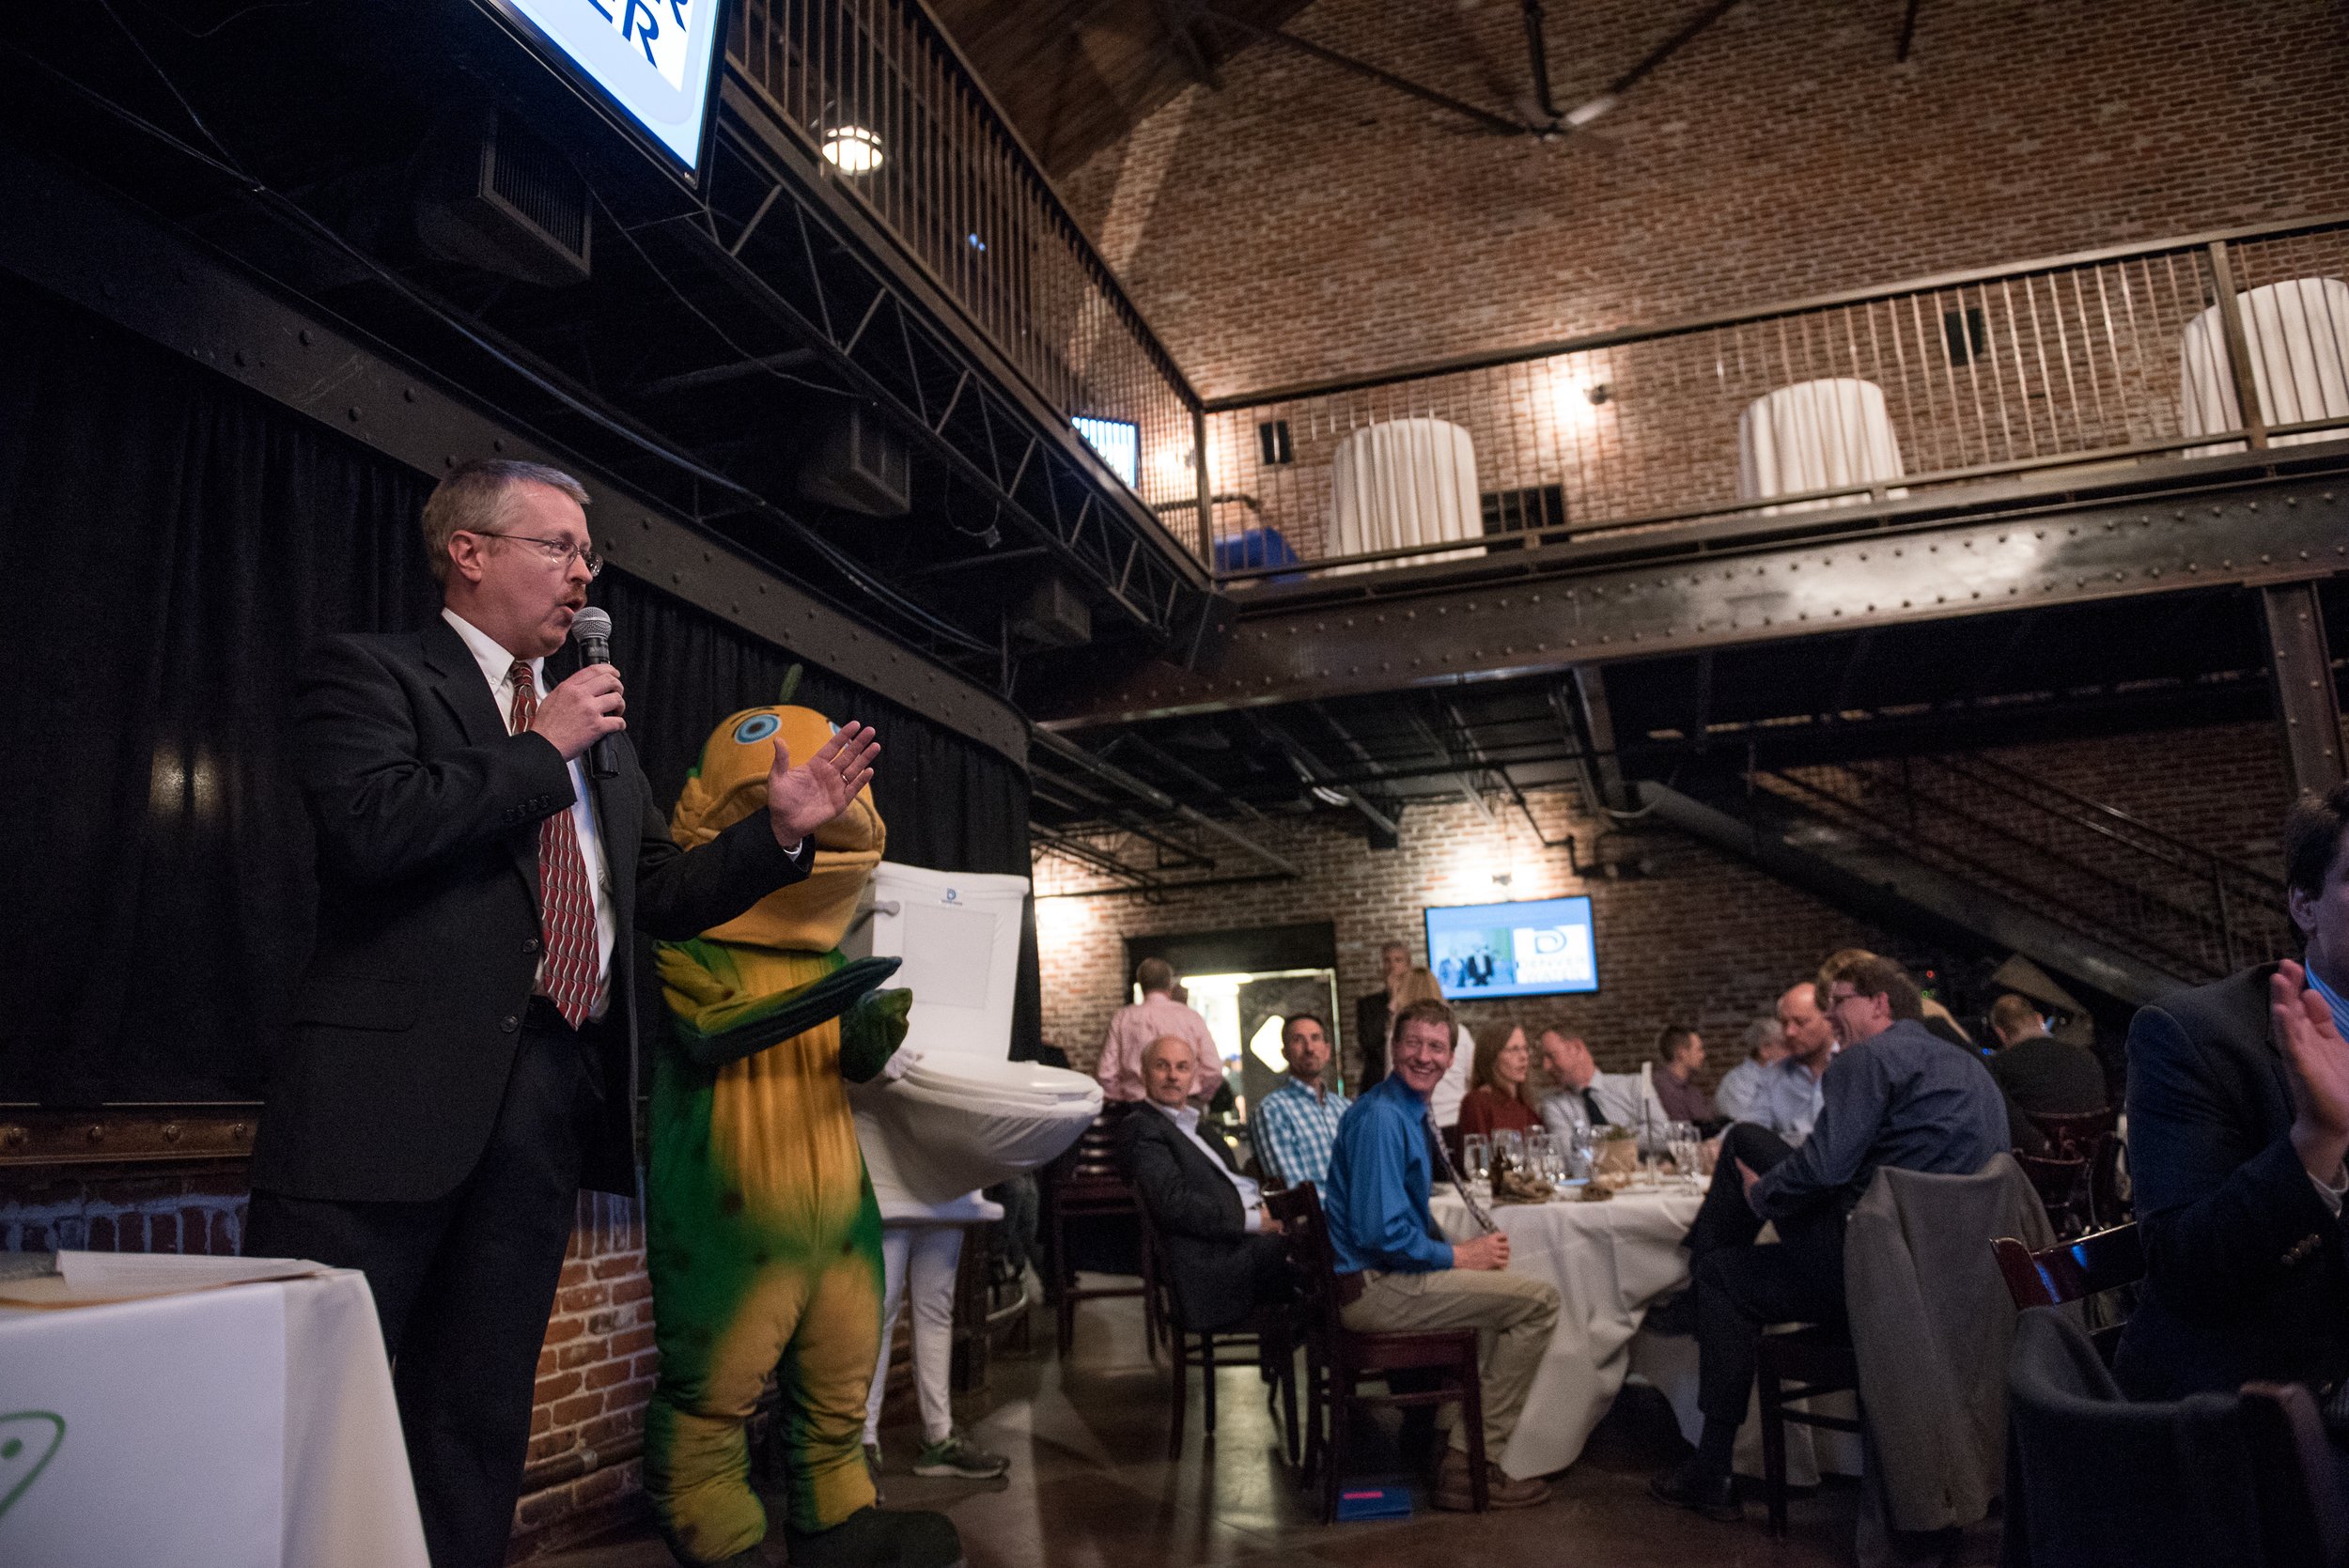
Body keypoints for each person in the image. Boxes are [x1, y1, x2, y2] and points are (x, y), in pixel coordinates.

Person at [242, 460, 890, 1568]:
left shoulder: (600, 728)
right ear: (470, 551)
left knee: (478, 1413)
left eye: (590, 555)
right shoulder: (374, 674)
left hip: (540, 1102)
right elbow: (372, 828)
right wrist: (541, 746)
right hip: (375, 1116)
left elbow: (658, 897)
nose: (584, 575)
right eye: (560, 547)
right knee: (303, 1411)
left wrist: (778, 833)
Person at [1651, 954, 2009, 1522]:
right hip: (1951, 1285)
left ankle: (1710, 1467)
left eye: (1836, 1002)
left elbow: (1824, 1168)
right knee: (1731, 1272)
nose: (1830, 1014)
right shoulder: (1968, 1068)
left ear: (1879, 1003)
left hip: (1873, 1276)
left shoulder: (1867, 1059)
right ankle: (1705, 1289)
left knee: (1744, 1141)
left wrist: (1761, 1195)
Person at [2114, 783, 2349, 1405]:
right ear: (2304, 903)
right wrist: (2315, 1143)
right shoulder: (2195, 1036)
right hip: (2284, 1408)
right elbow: (2187, 1273)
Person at [1325, 1000, 1561, 1511]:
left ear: (1452, 1057)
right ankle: (1469, 1464)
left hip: (1378, 1279)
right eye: (1413, 1043)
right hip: (1375, 1288)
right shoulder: (1384, 1119)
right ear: (1393, 1048)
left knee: (1505, 1294)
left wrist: (1459, 1254)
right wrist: (1458, 1257)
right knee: (1539, 1303)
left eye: (1436, 1046)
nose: (1424, 1056)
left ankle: (1448, 1444)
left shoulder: (1403, 1109)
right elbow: (1381, 1235)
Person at [1116, 1035, 1294, 1333]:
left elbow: (1232, 1184)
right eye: (1162, 1066)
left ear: (1193, 1076)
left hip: (1239, 1240)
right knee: (1312, 1262)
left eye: (1182, 1067)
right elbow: (1173, 1204)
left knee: (1322, 1239)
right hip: (1215, 1263)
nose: (1173, 1075)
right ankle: (1335, 1352)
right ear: (1144, 1073)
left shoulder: (1197, 1125)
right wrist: (1252, 1221)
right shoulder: (1142, 1128)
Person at [861, 1219, 1009, 1486]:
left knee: (936, 1309)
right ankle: (863, 1442)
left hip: (942, 1188)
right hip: (891, 1186)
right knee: (880, 1308)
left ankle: (939, 1436)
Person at [1717, 984, 1834, 1144]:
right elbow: (1752, 1124)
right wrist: (1719, 1144)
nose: (1789, 1032)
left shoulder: (1853, 1064)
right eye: (1784, 1023)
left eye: (1800, 1022)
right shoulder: (1775, 1076)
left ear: (1828, 1019)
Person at [1094, 957, 1217, 1103]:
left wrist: (1123, 1100)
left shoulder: (1123, 1018)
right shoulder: (1191, 1017)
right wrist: (1199, 1097)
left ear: (1140, 984)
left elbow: (1105, 1074)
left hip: (1137, 1107)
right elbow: (1213, 1069)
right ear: (1169, 983)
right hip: (1186, 1102)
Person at [1251, 1012, 1350, 1190]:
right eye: (1298, 1040)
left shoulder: (1346, 1108)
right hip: (1318, 1217)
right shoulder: (1272, 1110)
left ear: (1327, 1050)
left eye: (1315, 1038)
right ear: (1285, 1052)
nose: (1309, 1048)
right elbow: (1296, 1191)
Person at [1534, 1030, 1671, 1145]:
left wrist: (1609, 1139)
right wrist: (1631, 1136)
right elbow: (1570, 1155)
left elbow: (1663, 1133)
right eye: (1542, 1060)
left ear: (1577, 1048)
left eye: (1551, 1056)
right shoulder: (1555, 1105)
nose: (1546, 1067)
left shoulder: (1633, 1085)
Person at [1985, 992, 2107, 1117]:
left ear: (2001, 1033)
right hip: (2089, 1134)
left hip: (2036, 1135)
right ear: (2040, 1019)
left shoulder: (1998, 1068)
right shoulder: (2087, 1058)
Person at [1391, 968, 1478, 1128]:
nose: (1423, 1056)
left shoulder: (1397, 1036)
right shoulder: (1461, 1032)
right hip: (1456, 1122)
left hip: (1413, 1122)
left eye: (1436, 1047)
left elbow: (1391, 1081)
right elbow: (1475, 1079)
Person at [1456, 1025, 1542, 1140]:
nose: (1524, 1056)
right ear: (1492, 1057)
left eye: (1525, 1049)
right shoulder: (1477, 1103)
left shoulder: (1524, 1105)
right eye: (1514, 1049)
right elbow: (1478, 1153)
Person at [1355, 939, 1413, 1089]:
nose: (1392, 966)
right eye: (1387, 961)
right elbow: (1370, 1043)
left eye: (1398, 960)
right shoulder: (1368, 1005)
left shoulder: (1417, 1003)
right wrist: (1393, 1001)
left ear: (1408, 966)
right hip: (1377, 1082)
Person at [1711, 1017, 1786, 1127]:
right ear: (1765, 1049)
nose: (1793, 1051)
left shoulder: (1786, 1077)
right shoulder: (1736, 1083)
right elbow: (1745, 1129)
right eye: (1785, 1046)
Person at [1652, 1025, 1716, 1124]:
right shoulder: (1663, 1087)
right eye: (1699, 1050)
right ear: (1682, 1053)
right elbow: (1681, 1132)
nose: (1703, 1055)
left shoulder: (1691, 1090)